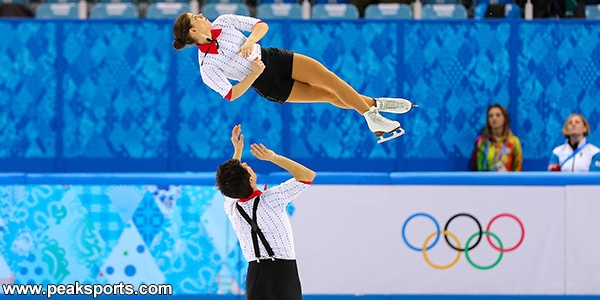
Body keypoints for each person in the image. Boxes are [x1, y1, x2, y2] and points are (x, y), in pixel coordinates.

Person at [172, 13, 417, 143]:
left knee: (329, 79)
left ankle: (372, 115)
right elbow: (231, 94)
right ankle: (375, 106)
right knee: (328, 95)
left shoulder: (223, 22)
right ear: (193, 31)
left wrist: (249, 40)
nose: (202, 15)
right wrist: (254, 74)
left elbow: (260, 25)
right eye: (196, 17)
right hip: (267, 83)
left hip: (274, 58)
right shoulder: (206, 66)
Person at [215, 124, 316, 299]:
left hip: (254, 276)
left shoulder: (232, 207)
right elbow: (307, 176)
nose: (246, 164)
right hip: (282, 275)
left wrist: (237, 151)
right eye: (245, 167)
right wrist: (273, 157)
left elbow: (230, 185)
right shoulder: (271, 199)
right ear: (251, 178)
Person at [469, 104, 522, 172]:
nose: (494, 118)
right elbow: (476, 167)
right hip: (485, 181)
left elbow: (517, 168)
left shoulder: (514, 141)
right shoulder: (481, 141)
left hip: (507, 181)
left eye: (498, 115)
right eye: (491, 116)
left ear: (505, 118)